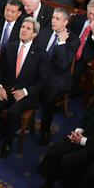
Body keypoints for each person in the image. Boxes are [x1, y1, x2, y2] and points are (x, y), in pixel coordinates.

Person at [29, 74, 94, 188]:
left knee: (68, 160)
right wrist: (78, 131)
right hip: (83, 137)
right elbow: (87, 117)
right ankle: (48, 186)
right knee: (55, 150)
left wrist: (82, 141)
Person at [0, 17, 48, 158]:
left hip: (26, 94)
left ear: (35, 34)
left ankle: (7, 143)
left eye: (28, 28)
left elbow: (43, 81)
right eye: (22, 26)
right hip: (6, 90)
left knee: (13, 112)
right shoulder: (9, 47)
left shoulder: (41, 53)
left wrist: (25, 92)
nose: (23, 30)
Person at [34, 8, 79, 145]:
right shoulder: (45, 31)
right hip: (39, 70)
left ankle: (45, 130)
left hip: (57, 75)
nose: (53, 21)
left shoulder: (73, 40)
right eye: (53, 17)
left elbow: (63, 64)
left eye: (57, 19)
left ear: (65, 22)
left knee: (50, 92)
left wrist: (61, 43)